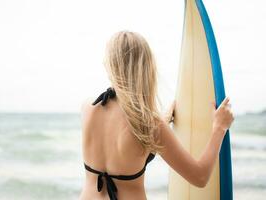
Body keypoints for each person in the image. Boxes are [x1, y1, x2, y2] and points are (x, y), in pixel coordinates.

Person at [79, 30, 234, 200]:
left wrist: (164, 119)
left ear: (110, 64)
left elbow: (121, 138)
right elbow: (200, 177)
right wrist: (219, 128)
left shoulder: (88, 108)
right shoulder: (150, 125)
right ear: (145, 68)